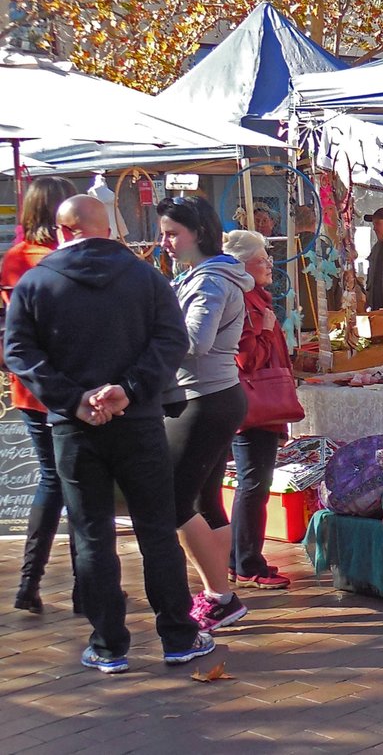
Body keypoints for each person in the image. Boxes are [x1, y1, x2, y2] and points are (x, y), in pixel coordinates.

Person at [4, 195, 213, 673]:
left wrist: (74, 399)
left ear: (62, 231)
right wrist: (129, 389)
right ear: (109, 229)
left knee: (91, 534)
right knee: (156, 530)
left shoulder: (36, 282)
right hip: (136, 423)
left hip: (75, 428)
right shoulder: (146, 276)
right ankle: (178, 636)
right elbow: (172, 338)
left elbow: (18, 351)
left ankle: (108, 643)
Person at [157, 195, 254, 631]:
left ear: (197, 233)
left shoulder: (211, 281)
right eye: (163, 233)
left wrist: (148, 334)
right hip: (209, 395)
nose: (165, 242)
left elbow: (195, 339)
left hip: (205, 399)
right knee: (202, 500)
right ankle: (219, 591)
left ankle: (221, 596)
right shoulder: (200, 276)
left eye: (172, 233)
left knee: (174, 501)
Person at [3, 176, 79, 614]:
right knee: (77, 485)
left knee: (53, 480)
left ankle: (29, 583)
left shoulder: (15, 258)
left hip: (30, 386)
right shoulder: (60, 259)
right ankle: (83, 587)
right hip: (70, 387)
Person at [222, 230, 292, 590]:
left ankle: (240, 559)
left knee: (253, 484)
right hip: (253, 407)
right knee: (253, 484)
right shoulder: (245, 301)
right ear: (244, 263)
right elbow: (246, 359)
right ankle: (247, 562)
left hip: (256, 406)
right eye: (262, 257)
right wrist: (265, 331)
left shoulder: (254, 297)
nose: (269, 263)